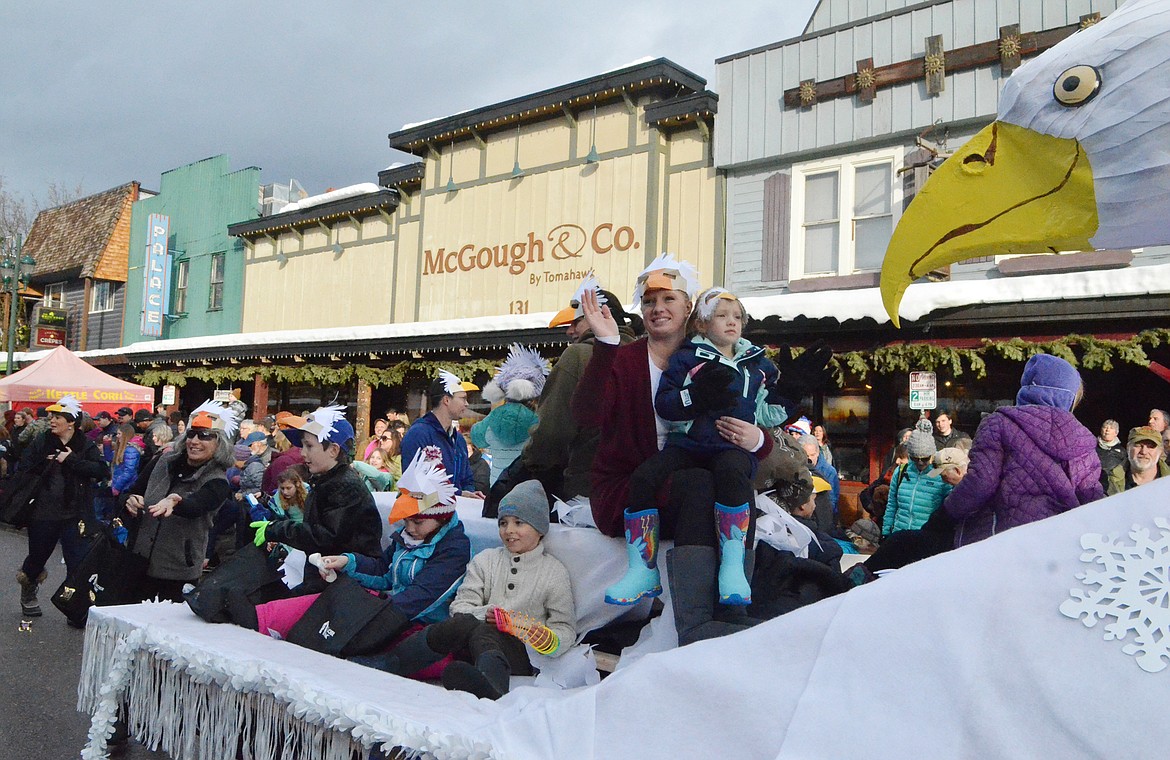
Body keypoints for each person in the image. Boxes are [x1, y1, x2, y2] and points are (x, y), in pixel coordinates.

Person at [574, 254, 821, 645]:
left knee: (728, 477)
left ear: (689, 308)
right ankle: (698, 622)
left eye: (669, 299)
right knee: (698, 483)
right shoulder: (625, 360)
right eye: (650, 301)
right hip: (631, 487)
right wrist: (606, 343)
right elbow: (586, 414)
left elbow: (753, 417)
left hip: (697, 473)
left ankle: (733, 601)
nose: (658, 309)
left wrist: (758, 438)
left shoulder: (716, 353)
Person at [614, 287, 792, 607]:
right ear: (702, 323)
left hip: (731, 446)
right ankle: (642, 568)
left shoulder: (756, 363)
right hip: (689, 443)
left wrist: (790, 394)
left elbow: (767, 412)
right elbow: (665, 403)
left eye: (737, 316)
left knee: (734, 477)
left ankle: (732, 566)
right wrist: (693, 398)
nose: (731, 322)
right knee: (643, 478)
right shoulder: (687, 356)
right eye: (721, 315)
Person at [355, 479, 574, 700]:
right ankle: (392, 662)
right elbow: (461, 604)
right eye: (503, 523)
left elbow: (564, 628)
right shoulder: (486, 560)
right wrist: (486, 614)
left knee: (485, 632)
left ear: (539, 528)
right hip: (473, 640)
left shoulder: (553, 573)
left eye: (519, 523)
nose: (509, 531)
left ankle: (493, 686)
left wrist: (543, 638)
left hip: (521, 652)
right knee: (464, 624)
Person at [238, 452, 472, 658]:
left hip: (412, 627)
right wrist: (347, 562)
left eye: (417, 522)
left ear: (440, 518)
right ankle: (255, 618)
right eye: (406, 520)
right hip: (384, 612)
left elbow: (420, 598)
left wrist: (366, 611)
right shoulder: (409, 536)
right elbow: (383, 569)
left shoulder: (453, 549)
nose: (409, 528)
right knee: (319, 605)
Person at [945, 354, 1103, 548]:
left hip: (1003, 541)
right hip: (1058, 543)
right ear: (1070, 396)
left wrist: (943, 515)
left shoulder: (999, 423)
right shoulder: (1083, 440)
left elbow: (981, 482)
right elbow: (1091, 498)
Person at [513, 275, 639, 505]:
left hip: (587, 488)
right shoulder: (642, 354)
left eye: (576, 322)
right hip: (638, 486)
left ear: (600, 315)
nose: (569, 331)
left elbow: (553, 430)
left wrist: (531, 462)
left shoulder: (579, 355)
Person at [251, 405, 384, 594]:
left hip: (347, 583)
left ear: (333, 450)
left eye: (309, 446)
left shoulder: (343, 485)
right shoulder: (326, 480)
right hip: (327, 577)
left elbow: (324, 537)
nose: (303, 453)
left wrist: (277, 529)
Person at [122, 400, 235, 602]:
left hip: (177, 571)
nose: (195, 441)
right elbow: (132, 491)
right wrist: (129, 500)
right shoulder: (163, 461)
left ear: (220, 443)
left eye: (205, 436)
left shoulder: (217, 481)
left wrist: (175, 501)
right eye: (192, 434)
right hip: (138, 560)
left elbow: (196, 506)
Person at [14, 397, 106, 617]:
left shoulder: (85, 444)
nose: (51, 421)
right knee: (36, 559)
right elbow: (23, 467)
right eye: (51, 417)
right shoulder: (42, 440)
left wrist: (71, 460)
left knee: (77, 563)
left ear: (71, 422)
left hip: (75, 514)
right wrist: (45, 463)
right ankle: (29, 588)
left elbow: (102, 471)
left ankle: (75, 607)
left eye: (57, 417)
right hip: (43, 513)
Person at [471, 344, 549, 486]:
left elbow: (477, 438)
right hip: (528, 488)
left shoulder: (492, 418)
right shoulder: (540, 421)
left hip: (497, 486)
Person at [401, 371, 481, 496]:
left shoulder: (458, 439)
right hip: (427, 512)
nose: (467, 404)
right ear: (446, 400)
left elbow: (467, 479)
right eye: (463, 398)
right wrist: (460, 494)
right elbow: (415, 483)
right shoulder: (418, 434)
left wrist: (470, 495)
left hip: (459, 510)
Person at [882, 421, 951, 535]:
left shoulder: (942, 474)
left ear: (932, 454)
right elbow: (892, 504)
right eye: (914, 458)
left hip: (927, 536)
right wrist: (886, 531)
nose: (920, 462)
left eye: (924, 459)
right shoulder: (901, 471)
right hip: (900, 533)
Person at [1105, 426, 1169, 494]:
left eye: (1150, 446)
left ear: (1160, 451)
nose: (1144, 452)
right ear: (1128, 448)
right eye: (1138, 445)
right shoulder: (1108, 482)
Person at [800, 433, 840, 516]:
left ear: (818, 452)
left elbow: (832, 500)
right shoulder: (795, 469)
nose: (809, 458)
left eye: (812, 455)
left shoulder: (829, 471)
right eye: (806, 455)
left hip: (823, 515)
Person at [109, 424, 145, 497]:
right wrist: (107, 444)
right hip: (120, 485)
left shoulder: (131, 450)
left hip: (126, 487)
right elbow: (110, 458)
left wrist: (117, 487)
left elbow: (129, 471)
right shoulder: (123, 448)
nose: (117, 436)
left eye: (119, 434)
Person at [1095, 419, 1126, 488]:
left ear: (1116, 433)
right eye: (1105, 427)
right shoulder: (1093, 447)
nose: (1107, 430)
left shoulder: (1122, 451)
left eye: (1111, 428)